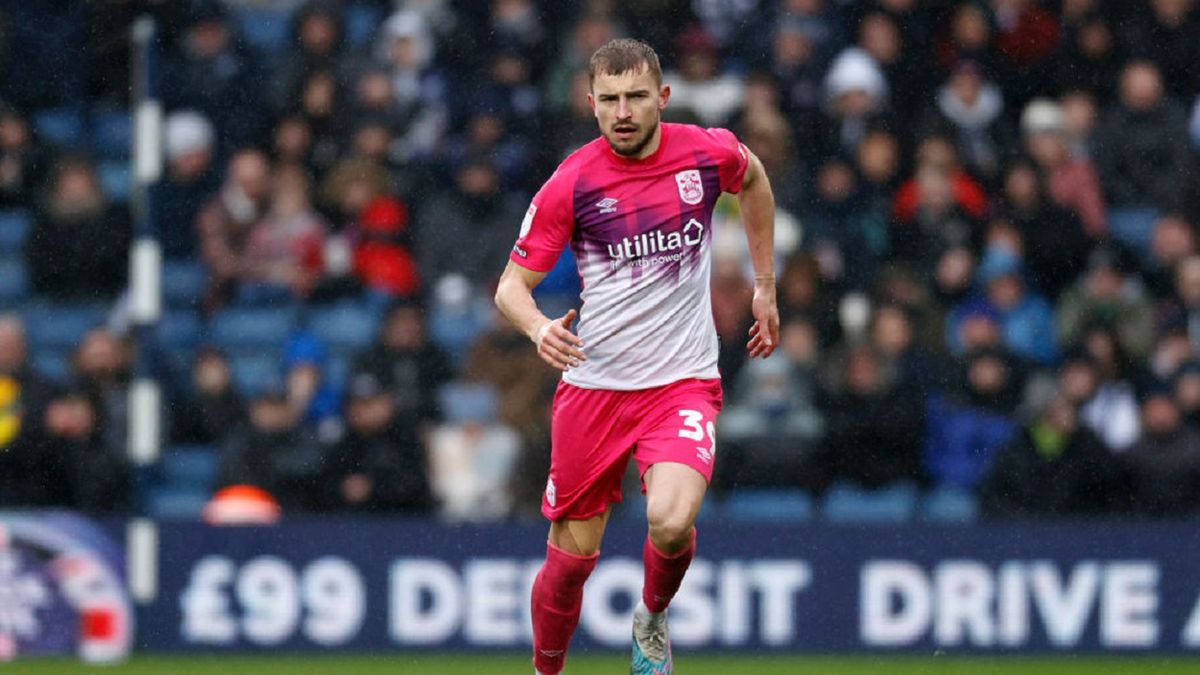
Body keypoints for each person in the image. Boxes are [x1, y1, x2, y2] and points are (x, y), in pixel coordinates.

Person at [493, 39, 779, 675]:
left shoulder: (706, 153)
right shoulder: (573, 181)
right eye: (610, 100)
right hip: (595, 387)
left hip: (681, 382)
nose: (624, 112)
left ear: (663, 99)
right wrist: (540, 329)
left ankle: (651, 618)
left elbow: (754, 178)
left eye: (637, 97)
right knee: (568, 569)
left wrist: (765, 284)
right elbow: (510, 289)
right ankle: (546, 670)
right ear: (591, 104)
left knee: (672, 523)